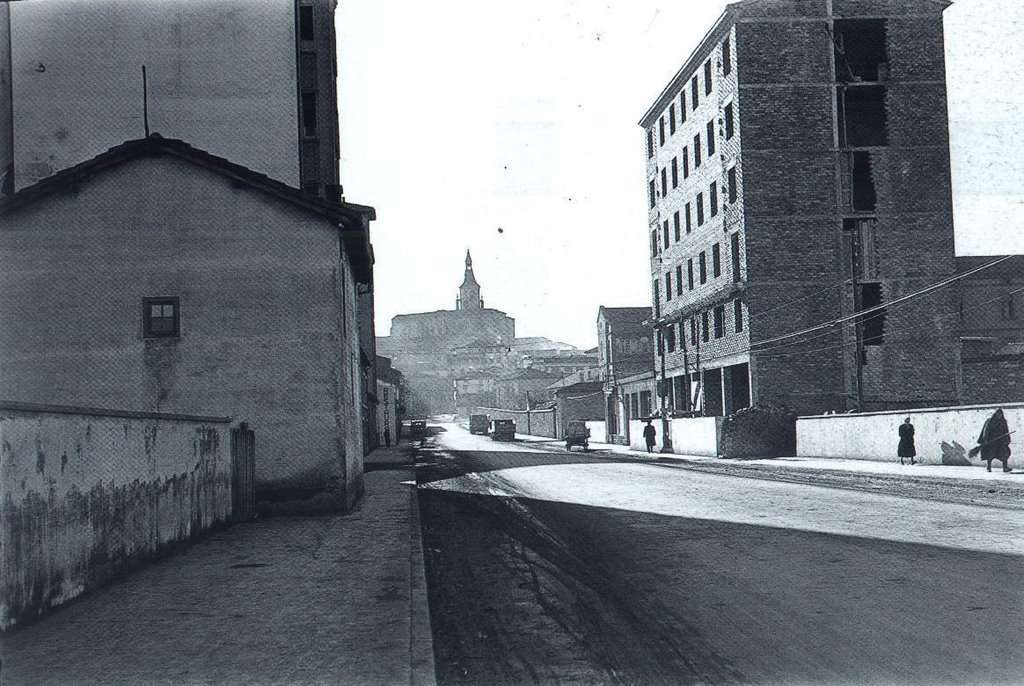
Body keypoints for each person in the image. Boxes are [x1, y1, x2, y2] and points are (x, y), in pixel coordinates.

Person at [977, 408, 1012, 473]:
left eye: (1001, 414)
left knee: (1005, 453)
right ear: (995, 414)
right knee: (990, 454)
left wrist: (1007, 439)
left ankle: (1005, 467)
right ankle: (988, 467)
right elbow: (986, 430)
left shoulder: (1003, 421)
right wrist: (985, 439)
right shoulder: (990, 420)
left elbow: (1006, 430)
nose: (999, 415)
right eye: (998, 414)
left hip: (1001, 441)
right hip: (992, 440)